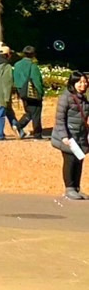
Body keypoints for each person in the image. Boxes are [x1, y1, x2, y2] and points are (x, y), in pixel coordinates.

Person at [52, 71, 89, 200]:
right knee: (70, 161)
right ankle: (69, 188)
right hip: (68, 136)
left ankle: (76, 188)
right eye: (80, 82)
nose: (83, 85)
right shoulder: (66, 97)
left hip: (80, 135)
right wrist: (64, 137)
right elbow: (60, 119)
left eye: (85, 82)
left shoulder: (84, 98)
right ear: (73, 83)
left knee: (79, 160)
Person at [14, 45, 45, 139]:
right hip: (32, 92)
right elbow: (37, 81)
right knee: (36, 113)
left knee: (29, 111)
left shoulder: (17, 64)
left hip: (21, 91)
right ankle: (37, 134)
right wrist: (41, 92)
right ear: (33, 54)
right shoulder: (33, 66)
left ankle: (19, 126)